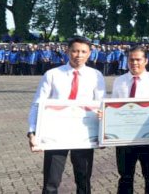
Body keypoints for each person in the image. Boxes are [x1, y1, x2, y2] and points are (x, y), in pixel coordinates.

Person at [27, 36, 106, 194]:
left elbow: (102, 104)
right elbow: (38, 103)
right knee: (51, 181)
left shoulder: (96, 76)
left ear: (90, 53)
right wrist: (32, 131)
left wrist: (104, 131)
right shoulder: (52, 74)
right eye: (75, 51)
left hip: (84, 134)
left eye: (83, 51)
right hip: (56, 134)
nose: (79, 55)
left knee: (83, 181)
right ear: (68, 51)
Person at [109, 45, 149, 194]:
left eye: (138, 59)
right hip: (123, 138)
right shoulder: (119, 81)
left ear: (146, 60)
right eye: (131, 59)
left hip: (148, 136)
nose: (134, 63)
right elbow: (113, 107)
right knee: (125, 176)